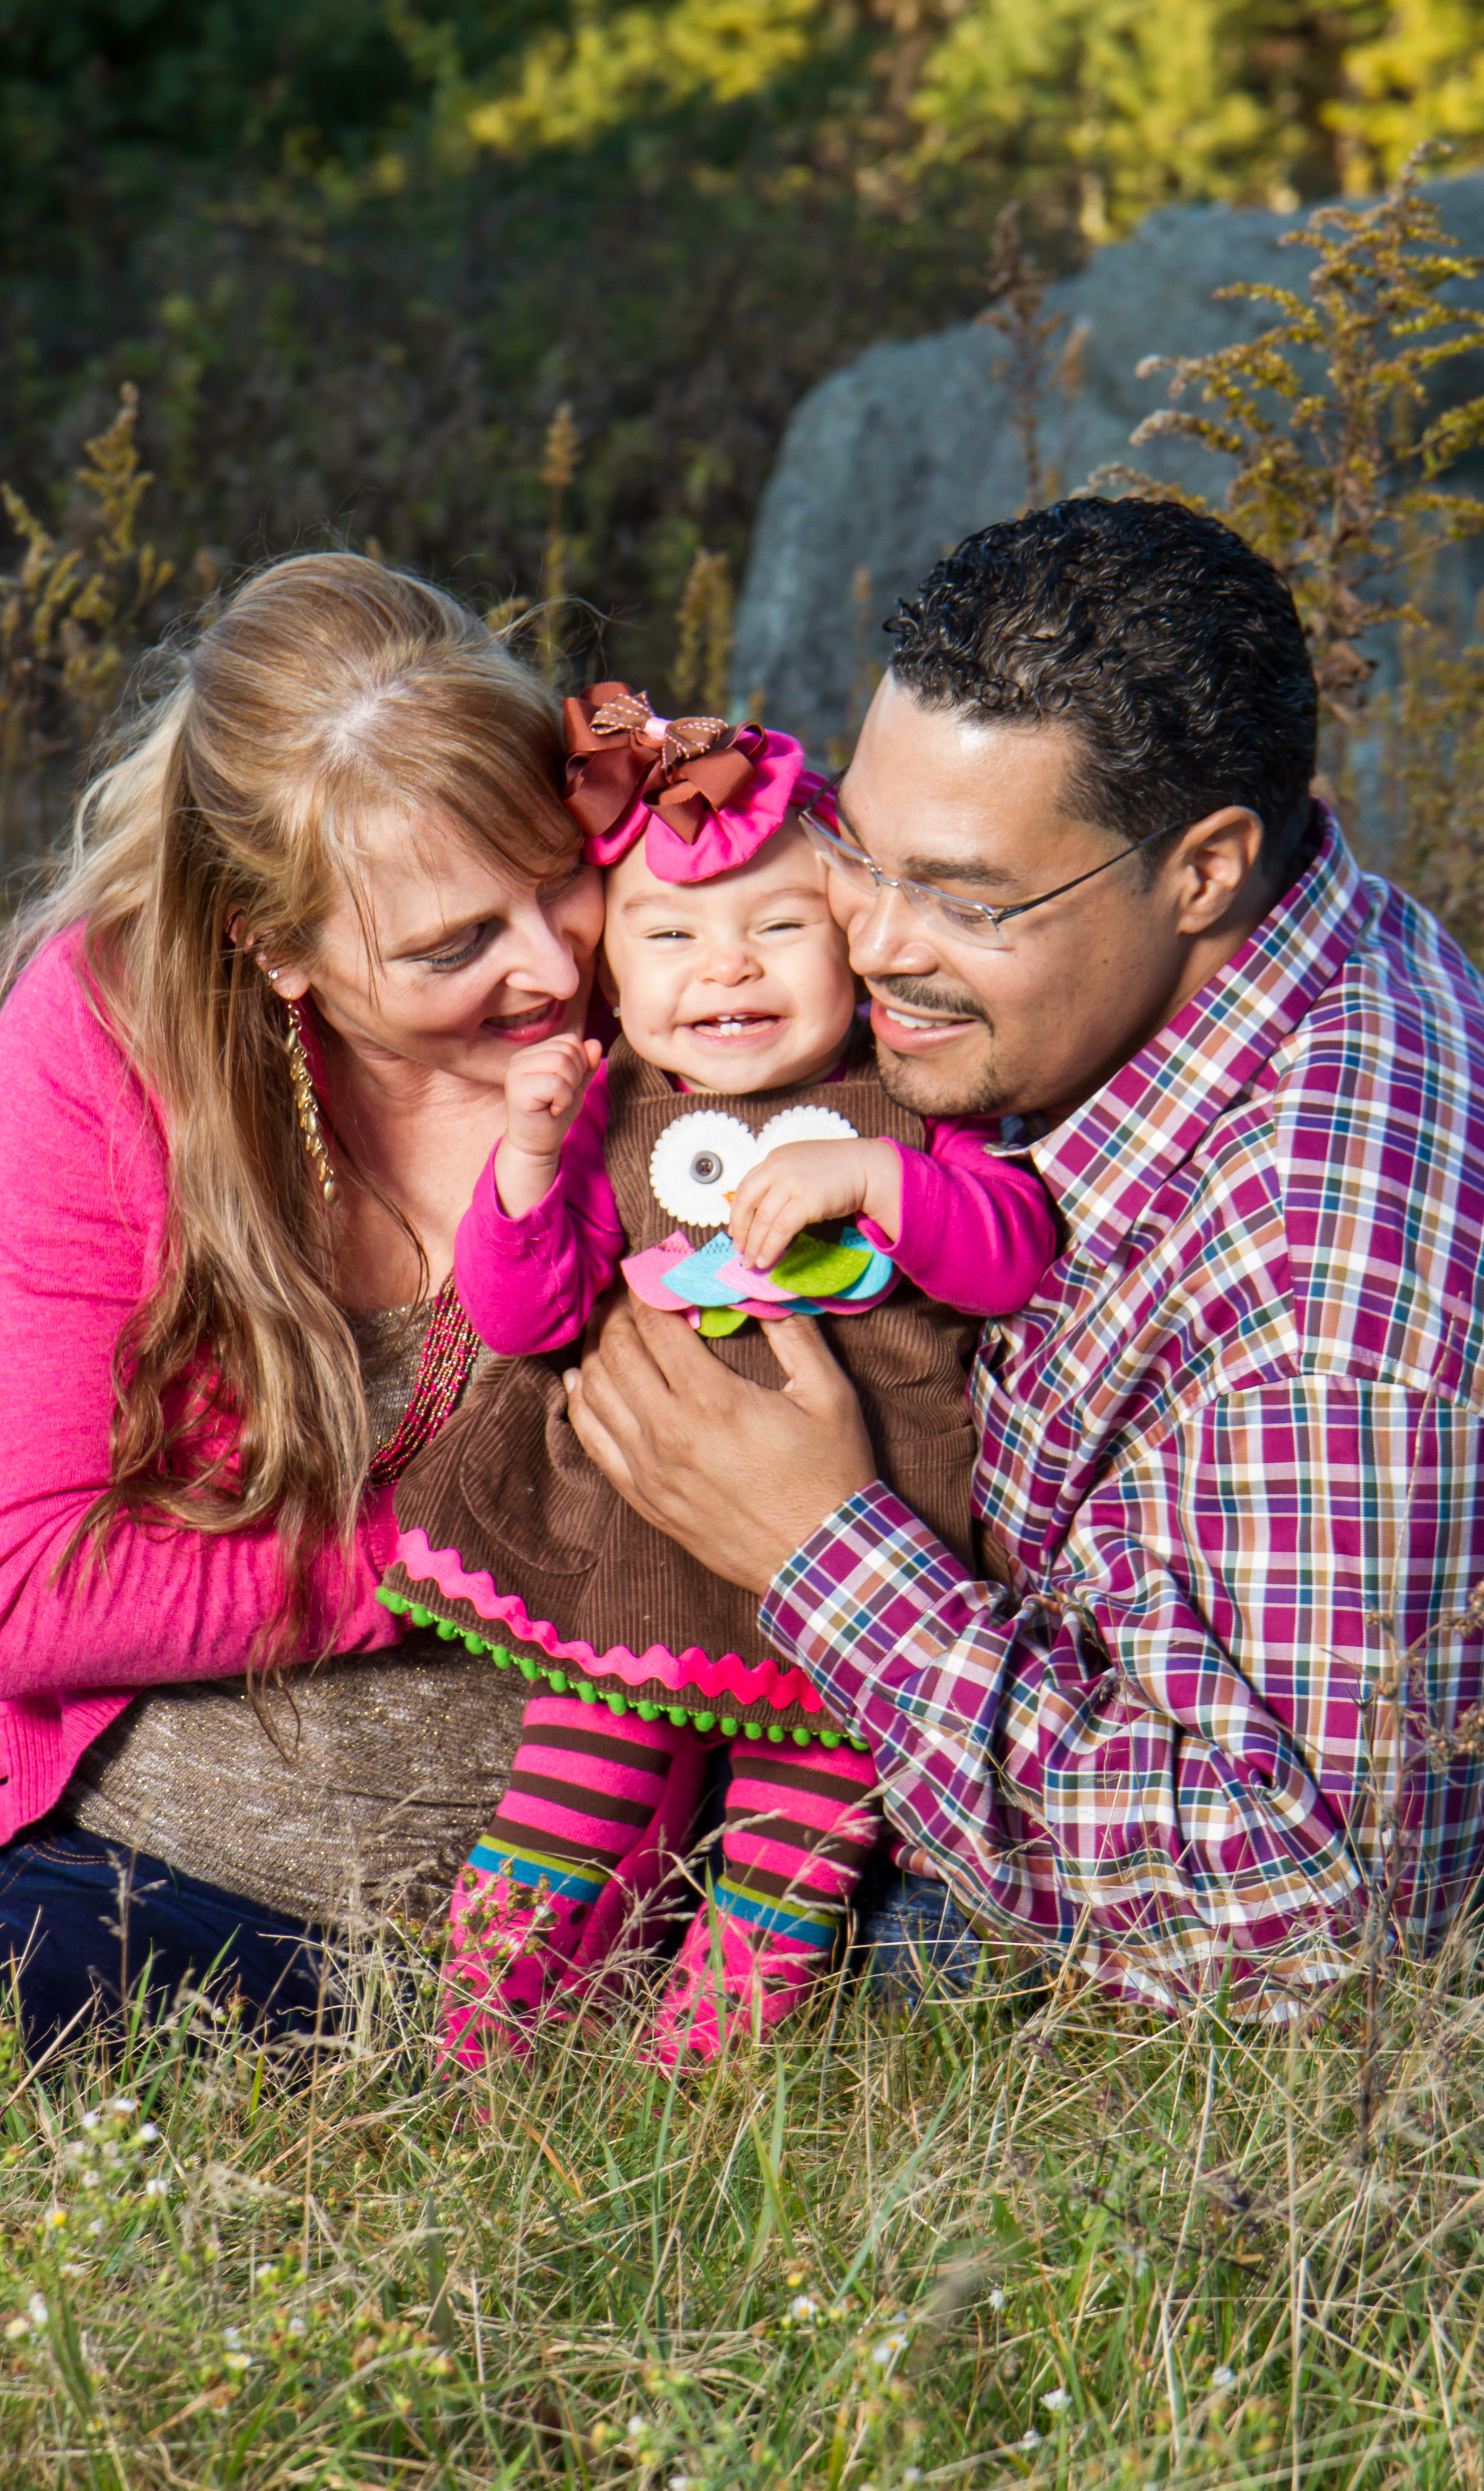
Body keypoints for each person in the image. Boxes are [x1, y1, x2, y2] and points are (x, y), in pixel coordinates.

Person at [560, 498, 1484, 2010]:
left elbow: (1305, 1919)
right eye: (862, 859)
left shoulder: (1333, 1303)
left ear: (1204, 870)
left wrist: (815, 1549)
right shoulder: (1201, 963)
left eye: (965, 896)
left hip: (1025, 1907)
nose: (871, 941)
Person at [0, 556, 650, 2082]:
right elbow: (20, 1598)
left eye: (558, 874)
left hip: (251, 1904)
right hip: (0, 1759)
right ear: (276, 943)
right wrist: (469, 1562)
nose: (554, 959)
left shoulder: (688, 980)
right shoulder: (120, 1023)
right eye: (455, 945)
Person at [386, 689, 1056, 2067]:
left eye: (778, 929)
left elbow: (1010, 1259)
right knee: (572, 1811)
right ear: (612, 977)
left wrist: (883, 1180)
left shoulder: (916, 1099)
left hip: (874, 1558)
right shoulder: (615, 1107)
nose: (726, 970)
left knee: (794, 1854)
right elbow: (524, 1317)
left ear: (855, 946)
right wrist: (524, 1163)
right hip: (631, 1549)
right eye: (671, 935)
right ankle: (481, 2051)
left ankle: (707, 2076)